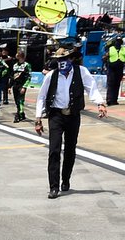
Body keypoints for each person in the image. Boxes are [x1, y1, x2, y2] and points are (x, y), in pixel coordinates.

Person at [34, 47, 109, 198]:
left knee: (70, 149)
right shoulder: (51, 75)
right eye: (59, 60)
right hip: (56, 115)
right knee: (54, 150)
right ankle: (53, 186)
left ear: (71, 59)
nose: (62, 62)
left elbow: (91, 88)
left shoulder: (81, 72)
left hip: (73, 115)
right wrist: (38, 118)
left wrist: (100, 103)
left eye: (65, 59)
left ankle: (65, 179)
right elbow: (42, 96)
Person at [10, 51, 32, 123]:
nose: (16, 56)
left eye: (18, 55)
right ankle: (22, 114)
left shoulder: (27, 65)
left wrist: (24, 87)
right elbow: (12, 76)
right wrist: (9, 86)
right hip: (15, 85)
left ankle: (18, 115)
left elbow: (29, 76)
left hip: (22, 85)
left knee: (20, 100)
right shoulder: (15, 65)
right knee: (16, 101)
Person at [106, 35, 123, 106]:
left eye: (119, 42)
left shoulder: (123, 49)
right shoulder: (110, 48)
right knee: (111, 84)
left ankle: (114, 100)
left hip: (120, 68)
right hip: (111, 69)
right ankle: (109, 100)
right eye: (117, 41)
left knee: (117, 84)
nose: (118, 43)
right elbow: (106, 56)